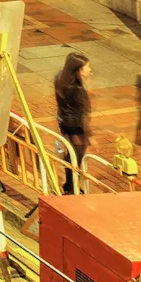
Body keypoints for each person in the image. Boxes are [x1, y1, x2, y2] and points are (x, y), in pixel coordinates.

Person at [53, 50, 94, 183]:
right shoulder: (77, 89)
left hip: (64, 120)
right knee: (77, 154)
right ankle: (72, 185)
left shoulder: (60, 78)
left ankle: (70, 183)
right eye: (87, 67)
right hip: (76, 125)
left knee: (71, 153)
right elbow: (84, 112)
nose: (89, 69)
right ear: (78, 70)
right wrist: (90, 135)